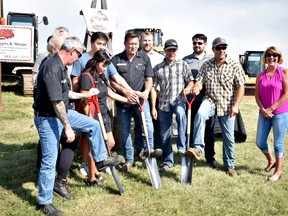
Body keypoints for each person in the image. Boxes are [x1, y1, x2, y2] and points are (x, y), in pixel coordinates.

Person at [33, 36, 123, 215]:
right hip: (48, 118)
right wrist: (67, 127)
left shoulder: (62, 66)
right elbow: (56, 101)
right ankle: (44, 202)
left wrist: (85, 94)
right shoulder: (51, 67)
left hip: (62, 112)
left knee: (93, 125)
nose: (79, 59)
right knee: (50, 161)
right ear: (72, 51)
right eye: (79, 54)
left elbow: (66, 95)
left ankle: (99, 160)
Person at [71, 31, 133, 178]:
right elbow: (80, 90)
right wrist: (87, 115)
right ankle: (89, 167)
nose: (102, 47)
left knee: (108, 143)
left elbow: (112, 86)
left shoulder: (102, 68)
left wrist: (128, 96)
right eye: (99, 43)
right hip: (92, 111)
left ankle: (98, 164)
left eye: (104, 44)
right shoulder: (84, 65)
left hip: (103, 110)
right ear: (92, 43)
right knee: (90, 140)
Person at [187, 37, 246, 177]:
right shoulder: (207, 65)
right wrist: (196, 87)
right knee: (200, 114)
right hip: (210, 101)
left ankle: (229, 165)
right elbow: (200, 81)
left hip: (227, 104)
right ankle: (198, 148)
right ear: (213, 49)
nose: (221, 50)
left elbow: (241, 87)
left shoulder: (234, 65)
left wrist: (236, 105)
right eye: (218, 48)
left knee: (228, 137)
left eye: (223, 47)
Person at [111, 31, 162, 172]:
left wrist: (145, 92)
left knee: (148, 126)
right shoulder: (116, 59)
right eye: (130, 44)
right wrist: (125, 92)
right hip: (123, 102)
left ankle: (149, 151)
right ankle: (129, 160)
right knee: (125, 131)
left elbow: (149, 79)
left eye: (135, 44)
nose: (133, 47)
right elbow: (112, 82)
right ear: (125, 44)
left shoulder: (144, 58)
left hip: (140, 101)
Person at [151, 39, 194, 173]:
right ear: (164, 50)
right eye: (169, 50)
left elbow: (191, 81)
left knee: (181, 115)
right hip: (163, 103)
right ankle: (167, 161)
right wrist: (153, 107)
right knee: (164, 135)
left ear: (176, 51)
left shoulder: (183, 65)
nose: (171, 53)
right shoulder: (158, 68)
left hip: (179, 100)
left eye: (173, 50)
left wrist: (188, 88)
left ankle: (182, 147)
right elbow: (153, 88)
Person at [182, 33, 217, 169]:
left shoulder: (211, 59)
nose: (197, 45)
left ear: (205, 45)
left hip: (208, 99)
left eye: (200, 43)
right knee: (190, 128)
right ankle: (192, 155)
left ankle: (210, 157)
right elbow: (184, 78)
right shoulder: (186, 60)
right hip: (191, 100)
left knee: (209, 130)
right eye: (195, 43)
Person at [255, 46, 288, 182]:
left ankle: (277, 172)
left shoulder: (284, 72)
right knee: (260, 142)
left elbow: (286, 94)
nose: (271, 57)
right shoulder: (260, 76)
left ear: (278, 57)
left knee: (278, 144)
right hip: (264, 113)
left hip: (280, 112)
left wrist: (272, 108)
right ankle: (271, 160)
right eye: (269, 55)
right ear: (265, 57)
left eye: (274, 55)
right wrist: (263, 109)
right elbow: (257, 96)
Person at [138, 31, 164, 151]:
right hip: (141, 93)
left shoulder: (160, 57)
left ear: (153, 42)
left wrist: (158, 91)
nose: (147, 43)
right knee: (140, 123)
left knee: (156, 121)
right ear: (140, 41)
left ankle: (157, 148)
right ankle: (141, 148)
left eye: (149, 40)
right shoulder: (136, 56)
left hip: (156, 94)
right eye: (145, 40)